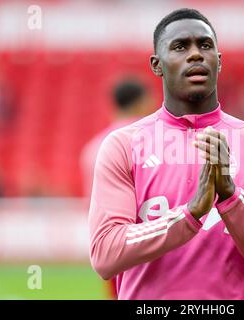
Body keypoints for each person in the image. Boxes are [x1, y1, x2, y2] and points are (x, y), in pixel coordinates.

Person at [88, 8, 244, 299]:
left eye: (205, 45)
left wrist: (231, 198)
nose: (195, 54)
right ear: (157, 65)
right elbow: (105, 255)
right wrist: (190, 214)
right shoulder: (123, 145)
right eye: (180, 46)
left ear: (219, 62)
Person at [81, 78, 152, 298]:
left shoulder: (94, 146)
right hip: (146, 236)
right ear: (141, 102)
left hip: (109, 238)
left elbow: (91, 199)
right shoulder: (150, 140)